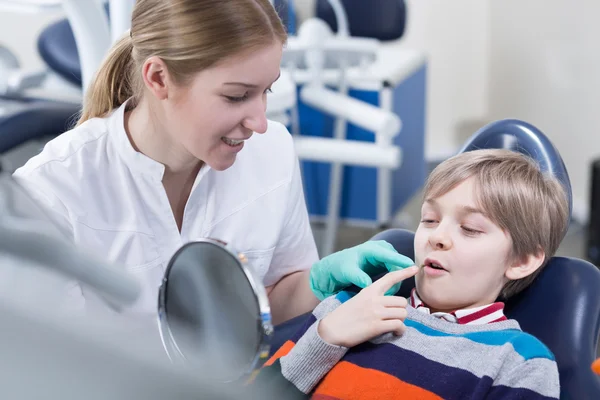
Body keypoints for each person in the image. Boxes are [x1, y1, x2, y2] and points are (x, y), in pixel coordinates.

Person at [11, 0, 414, 325]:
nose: (259, 122)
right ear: (158, 79)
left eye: (266, 91)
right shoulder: (52, 193)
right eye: (237, 96)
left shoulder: (272, 151)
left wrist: (316, 282)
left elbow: (273, 298)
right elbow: (54, 371)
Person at [260, 149, 568, 399]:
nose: (437, 237)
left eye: (470, 229)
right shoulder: (346, 309)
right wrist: (325, 338)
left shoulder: (519, 362)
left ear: (522, 260)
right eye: (430, 220)